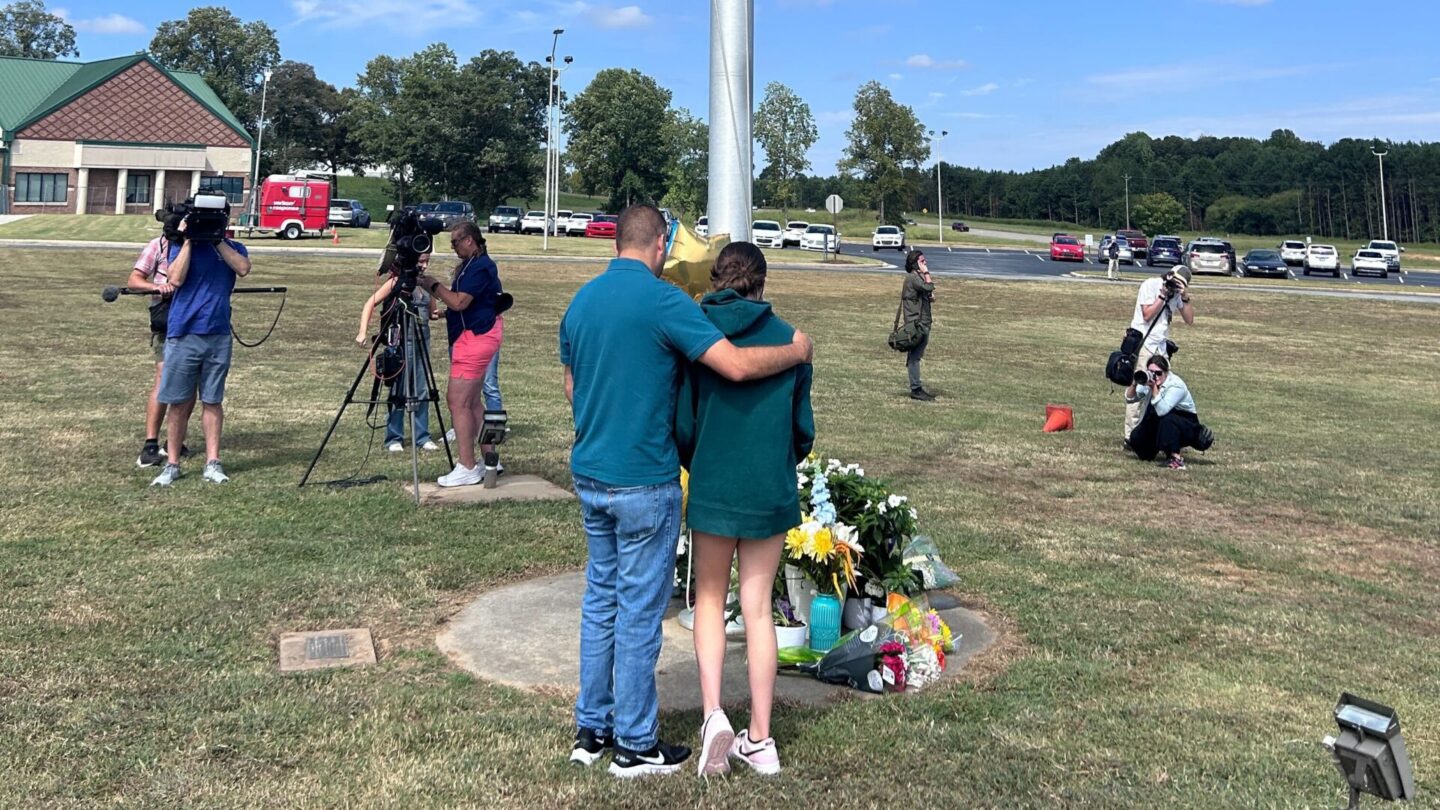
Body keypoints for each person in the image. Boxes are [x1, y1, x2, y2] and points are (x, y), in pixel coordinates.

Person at [559, 204, 812, 778]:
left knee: (601, 600)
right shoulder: (666, 301)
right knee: (642, 611)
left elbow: (572, 385)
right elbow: (738, 368)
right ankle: (635, 742)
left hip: (591, 470)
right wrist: (798, 351)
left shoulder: (580, 302)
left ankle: (591, 728)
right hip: (644, 479)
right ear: (657, 247)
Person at [676, 241, 814, 777]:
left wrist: (700, 459)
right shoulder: (792, 340)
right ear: (762, 281)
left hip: (713, 480)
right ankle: (761, 736)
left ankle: (714, 715)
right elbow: (803, 429)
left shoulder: (697, 334)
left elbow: (683, 423)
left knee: (709, 599)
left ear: (715, 278)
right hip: (768, 487)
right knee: (757, 608)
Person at [150, 214, 252, 487]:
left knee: (212, 400)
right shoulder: (180, 247)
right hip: (183, 333)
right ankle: (172, 464)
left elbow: (243, 268)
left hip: (218, 334)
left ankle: (213, 462)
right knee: (179, 402)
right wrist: (189, 240)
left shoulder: (234, 248)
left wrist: (217, 239)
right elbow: (175, 278)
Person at [417, 221, 505, 487]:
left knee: (457, 401)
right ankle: (491, 459)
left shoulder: (480, 266)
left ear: (469, 240)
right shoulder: (473, 265)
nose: (453, 246)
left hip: (475, 338)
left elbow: (459, 301)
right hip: (479, 335)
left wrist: (431, 284)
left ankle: (467, 466)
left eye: (455, 242)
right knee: (474, 402)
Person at [355, 253, 439, 453]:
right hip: (401, 340)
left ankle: (422, 436)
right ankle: (394, 437)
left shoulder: (427, 284)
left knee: (421, 387)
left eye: (427, 261)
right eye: (420, 261)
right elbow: (370, 303)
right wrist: (362, 331)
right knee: (399, 388)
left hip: (422, 340)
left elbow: (432, 312)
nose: (424, 266)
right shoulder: (395, 282)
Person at [128, 229, 188, 467]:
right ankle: (150, 443)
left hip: (194, 321)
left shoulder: (204, 245)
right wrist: (156, 287)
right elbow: (134, 280)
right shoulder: (159, 245)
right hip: (166, 322)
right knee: (163, 380)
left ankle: (174, 440)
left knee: (189, 384)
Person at [1122, 266, 1194, 444]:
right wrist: (1162, 295)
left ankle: (1151, 433)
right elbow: (1147, 315)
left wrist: (1184, 296)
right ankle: (1130, 436)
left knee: (1161, 390)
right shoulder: (1150, 285)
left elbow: (1189, 320)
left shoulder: (1177, 294)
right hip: (1145, 345)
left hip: (1161, 348)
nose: (1174, 286)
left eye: (1179, 285)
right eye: (1174, 281)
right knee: (1139, 389)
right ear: (1168, 275)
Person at [1126, 354, 1214, 470]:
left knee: (1168, 419)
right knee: (1137, 439)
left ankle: (1176, 459)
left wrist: (1154, 389)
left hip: (1187, 426)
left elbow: (1163, 410)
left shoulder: (1176, 385)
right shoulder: (1149, 381)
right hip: (1162, 422)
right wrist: (1135, 382)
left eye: (1158, 373)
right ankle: (1153, 450)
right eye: (1151, 372)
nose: (1155, 376)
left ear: (1166, 373)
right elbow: (1130, 398)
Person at [900, 250, 936, 401]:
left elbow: (929, 291)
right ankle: (916, 389)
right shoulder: (912, 278)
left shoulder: (916, 278)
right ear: (915, 263)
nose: (925, 263)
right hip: (917, 324)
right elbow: (929, 287)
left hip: (923, 322)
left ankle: (916, 386)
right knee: (915, 357)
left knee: (915, 356)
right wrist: (926, 273)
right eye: (922, 261)